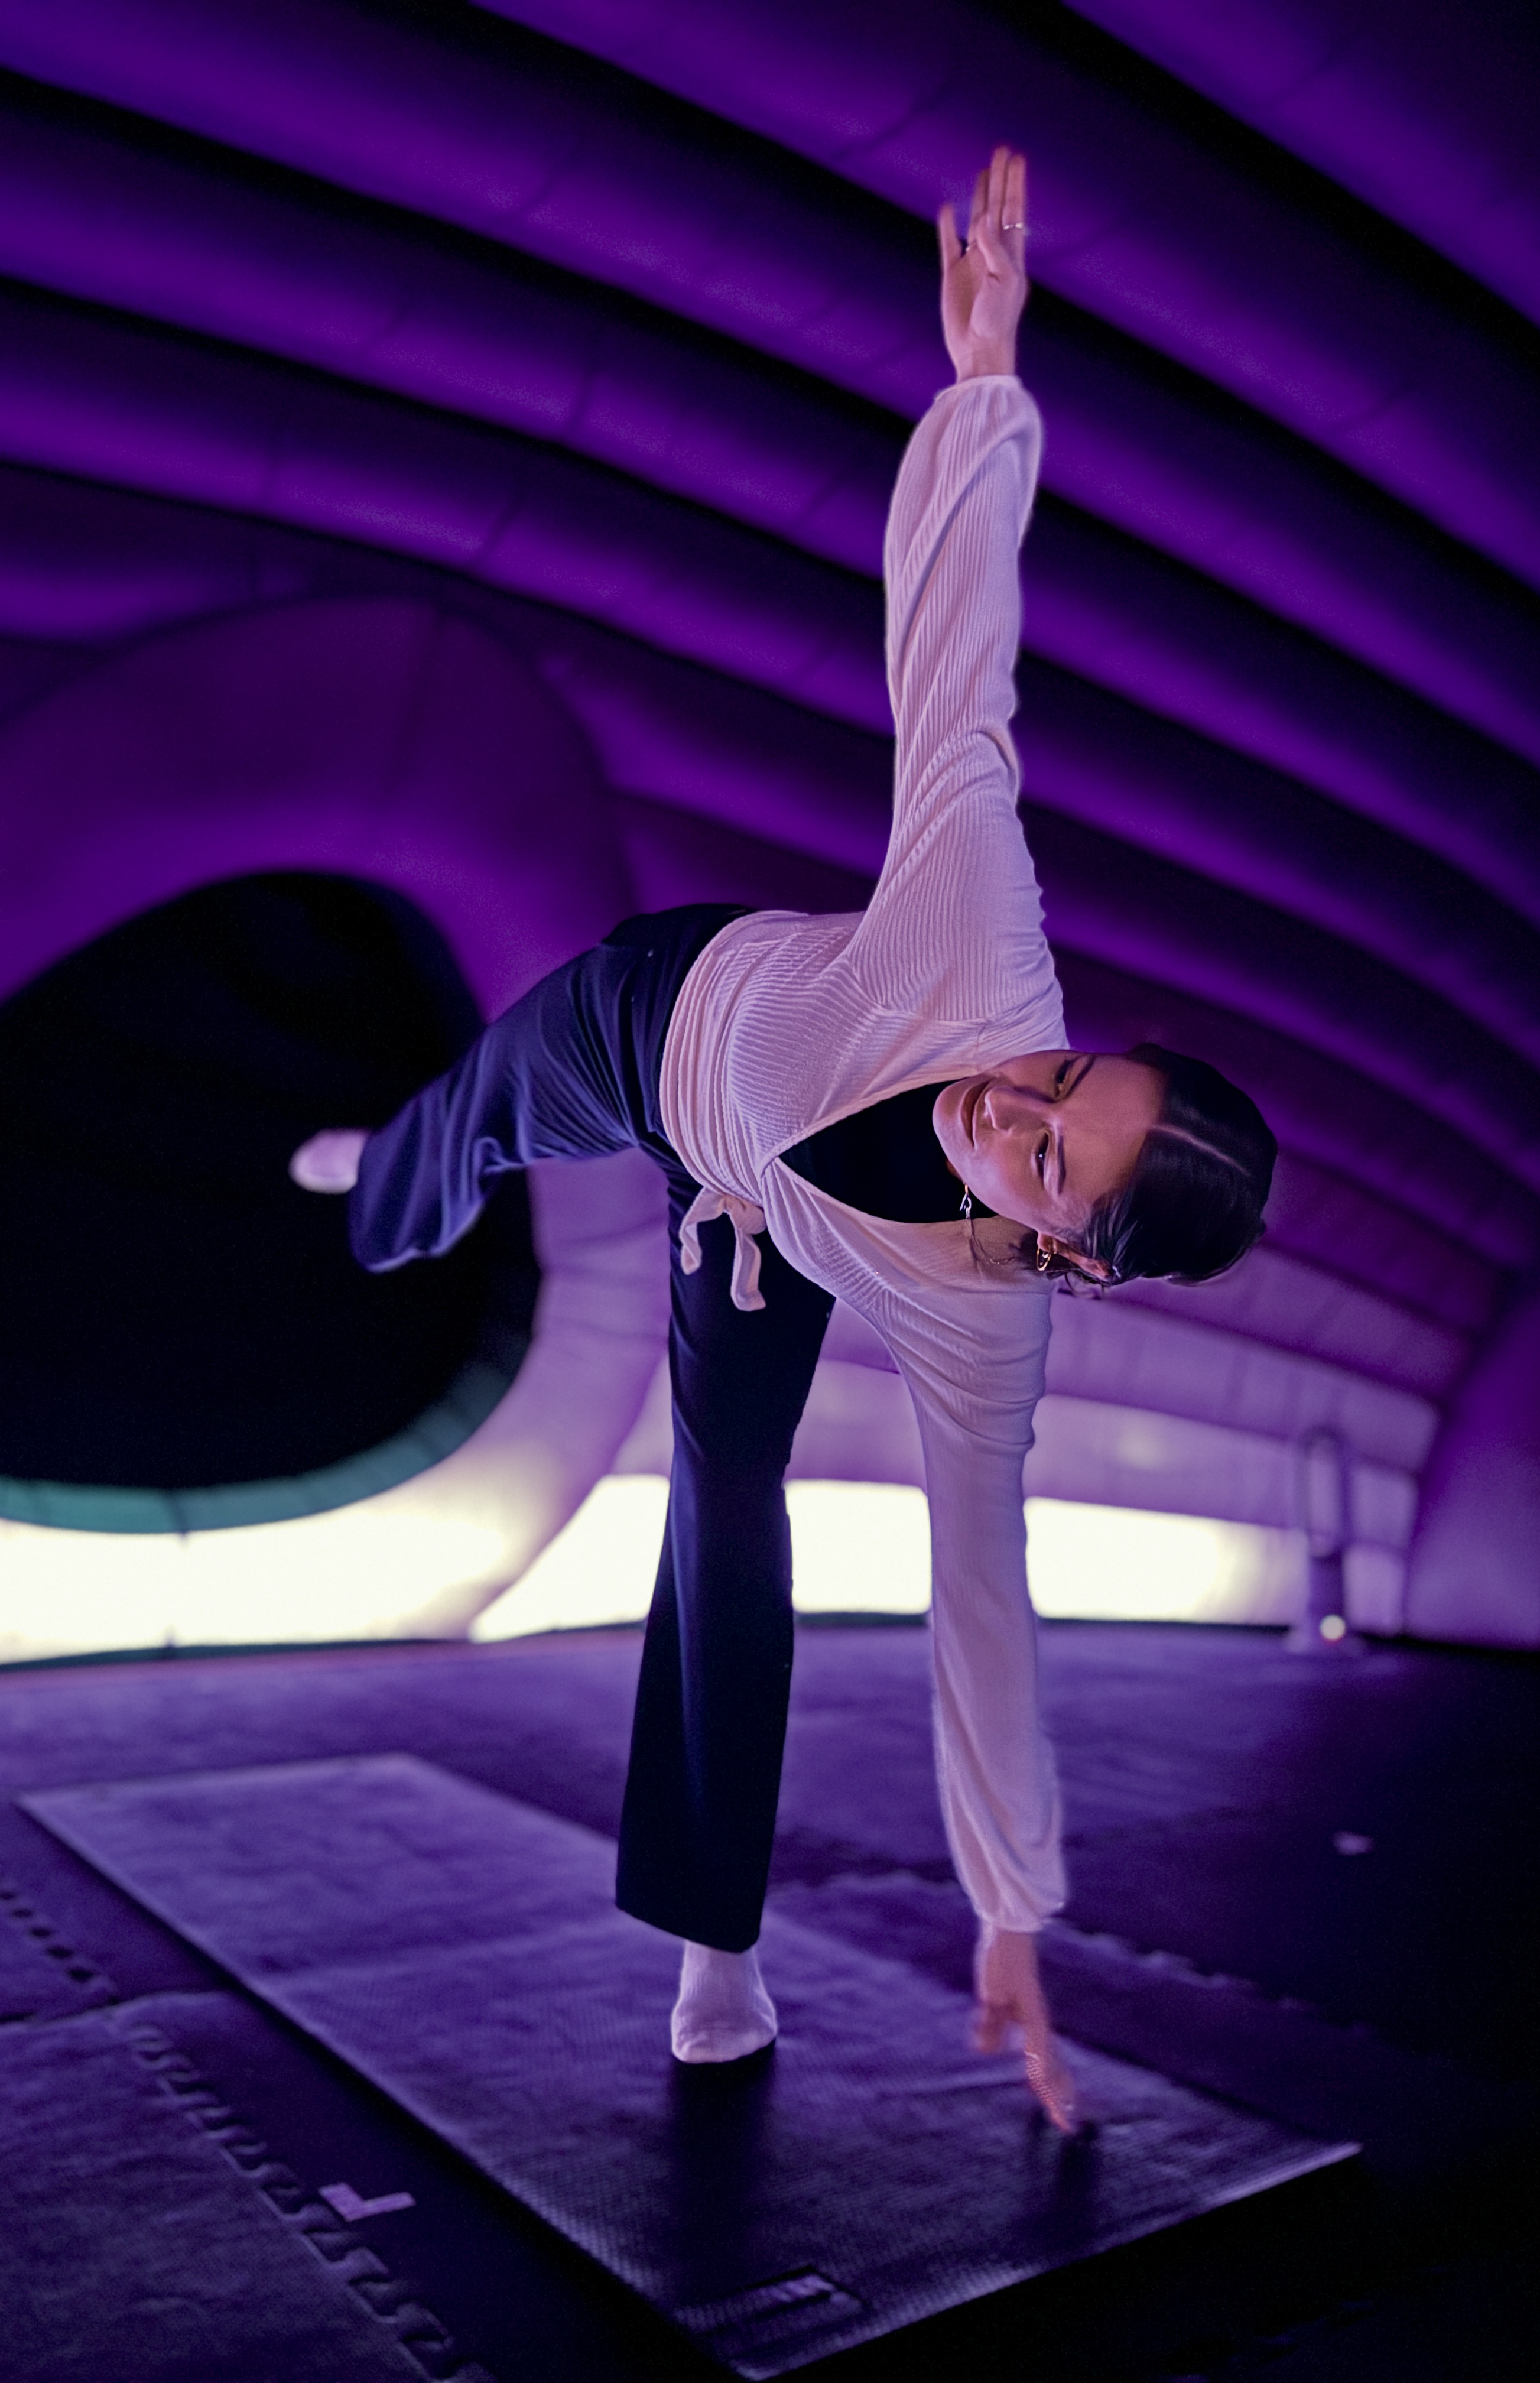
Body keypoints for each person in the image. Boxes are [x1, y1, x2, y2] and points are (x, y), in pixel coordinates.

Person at [291, 150, 1276, 2132]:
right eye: (1065, 1079)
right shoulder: (982, 937)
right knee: (465, 1122)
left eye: (1049, 1161)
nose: (1014, 1105)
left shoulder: (991, 1340)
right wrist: (986, 388)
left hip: (738, 1237)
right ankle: (386, 1182)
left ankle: (712, 1947)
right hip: (658, 1024)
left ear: (1069, 1259)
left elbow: (981, 1604)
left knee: (726, 1539)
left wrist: (1012, 1912)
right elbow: (957, 672)